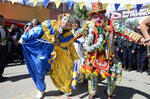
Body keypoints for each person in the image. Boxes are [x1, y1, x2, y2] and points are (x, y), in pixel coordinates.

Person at [77, 2, 144, 99]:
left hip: (108, 57)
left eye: (100, 14)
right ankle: (92, 93)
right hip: (93, 56)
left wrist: (139, 39)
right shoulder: (88, 25)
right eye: (95, 15)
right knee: (92, 75)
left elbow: (125, 31)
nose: (98, 18)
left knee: (112, 75)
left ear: (103, 15)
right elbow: (76, 35)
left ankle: (109, 93)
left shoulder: (112, 24)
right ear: (92, 17)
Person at [19, 13, 79, 98]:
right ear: (60, 19)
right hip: (42, 52)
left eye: (69, 21)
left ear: (70, 24)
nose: (66, 22)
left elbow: (71, 46)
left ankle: (65, 88)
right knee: (39, 71)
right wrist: (24, 37)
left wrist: (75, 57)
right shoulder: (50, 25)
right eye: (65, 19)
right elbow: (36, 30)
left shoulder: (68, 35)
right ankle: (41, 89)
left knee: (64, 70)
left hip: (58, 56)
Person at [72, 18, 85, 83]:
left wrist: (77, 41)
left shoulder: (81, 31)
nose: (75, 24)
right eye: (74, 23)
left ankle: (80, 77)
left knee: (79, 62)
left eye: (76, 23)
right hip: (72, 49)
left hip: (79, 49)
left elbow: (83, 40)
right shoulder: (71, 31)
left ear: (78, 24)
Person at [0, 14, 8, 82]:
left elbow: (7, 37)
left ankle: (0, 75)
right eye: (2, 19)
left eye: (3, 19)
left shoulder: (5, 28)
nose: (3, 20)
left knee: (3, 62)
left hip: (4, 47)